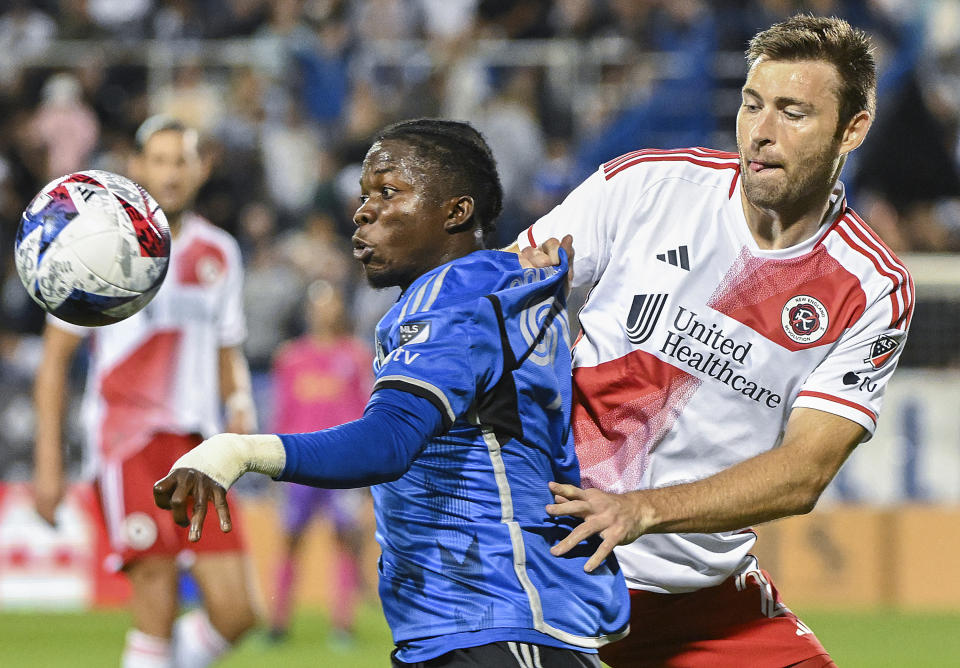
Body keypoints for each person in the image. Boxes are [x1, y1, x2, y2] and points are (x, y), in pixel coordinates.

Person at [511, 14, 913, 668]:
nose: (761, 131)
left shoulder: (871, 286)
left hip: (695, 603)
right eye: (752, 105)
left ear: (853, 130)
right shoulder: (647, 187)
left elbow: (804, 472)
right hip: (547, 564)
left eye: (792, 112)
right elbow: (491, 303)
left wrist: (641, 509)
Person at [154, 118, 630, 667]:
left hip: (495, 622)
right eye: (363, 195)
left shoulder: (456, 302)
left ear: (457, 211)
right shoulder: (497, 287)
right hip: (480, 625)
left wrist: (239, 450)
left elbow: (387, 442)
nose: (363, 211)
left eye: (388, 191)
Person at [33, 116, 258, 668]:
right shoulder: (98, 244)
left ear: (201, 168)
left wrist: (242, 411)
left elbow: (228, 350)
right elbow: (55, 362)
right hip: (128, 441)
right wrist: (48, 463)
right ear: (136, 168)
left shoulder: (220, 253)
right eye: (158, 160)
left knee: (236, 613)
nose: (170, 173)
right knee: (154, 599)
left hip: (202, 446)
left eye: (180, 160)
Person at [267, 279, 373, 643]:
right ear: (309, 310)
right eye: (318, 304)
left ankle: (341, 624)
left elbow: (367, 411)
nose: (324, 310)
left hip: (342, 464)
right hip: (297, 463)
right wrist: (273, 461)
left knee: (344, 541)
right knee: (290, 540)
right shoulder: (290, 357)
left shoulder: (356, 356)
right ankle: (278, 623)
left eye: (330, 303)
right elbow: (282, 412)